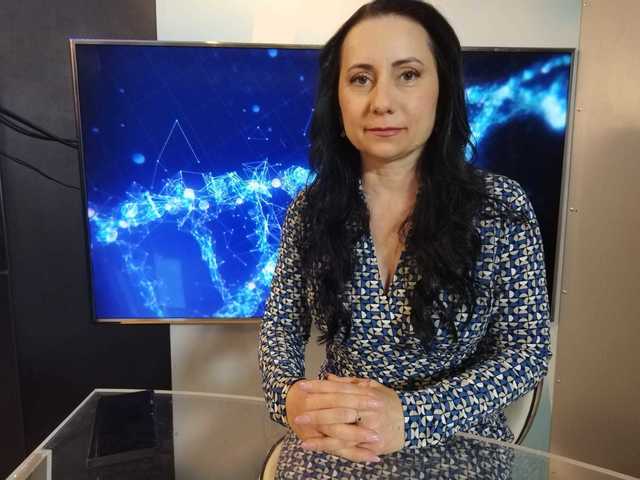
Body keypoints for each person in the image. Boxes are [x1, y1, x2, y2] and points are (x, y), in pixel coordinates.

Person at [258, 0, 552, 469]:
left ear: (443, 89)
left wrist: (411, 416)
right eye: (361, 78)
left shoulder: (500, 208)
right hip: (340, 436)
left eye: (408, 74)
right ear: (337, 97)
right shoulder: (310, 211)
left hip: (458, 437)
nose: (381, 102)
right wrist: (291, 398)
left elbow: (527, 351)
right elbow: (281, 329)